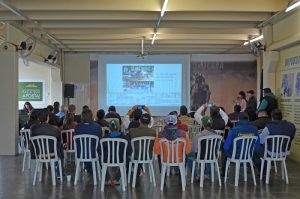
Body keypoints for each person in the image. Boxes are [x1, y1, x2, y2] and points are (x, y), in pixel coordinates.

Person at [30, 108, 64, 176]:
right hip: (52, 153)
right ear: (48, 118)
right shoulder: (55, 128)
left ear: (38, 119)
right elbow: (60, 141)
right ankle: (60, 172)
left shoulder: (33, 128)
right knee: (60, 149)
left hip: (38, 153)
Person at [187, 116, 218, 180]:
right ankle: (206, 173)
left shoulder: (199, 136)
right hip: (213, 156)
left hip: (200, 156)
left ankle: (196, 175)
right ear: (211, 124)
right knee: (209, 154)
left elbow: (193, 149)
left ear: (203, 125)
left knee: (188, 157)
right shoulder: (217, 135)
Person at [102, 119, 130, 186]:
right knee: (127, 159)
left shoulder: (104, 138)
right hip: (121, 159)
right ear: (119, 127)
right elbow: (129, 151)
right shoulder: (125, 137)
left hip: (107, 160)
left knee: (100, 159)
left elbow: (100, 150)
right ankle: (116, 179)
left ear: (109, 128)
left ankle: (108, 179)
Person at [74, 109, 102, 174]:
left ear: (82, 117)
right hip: (93, 153)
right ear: (91, 116)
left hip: (80, 153)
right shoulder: (97, 127)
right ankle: (97, 169)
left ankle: (89, 169)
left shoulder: (77, 127)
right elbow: (99, 138)